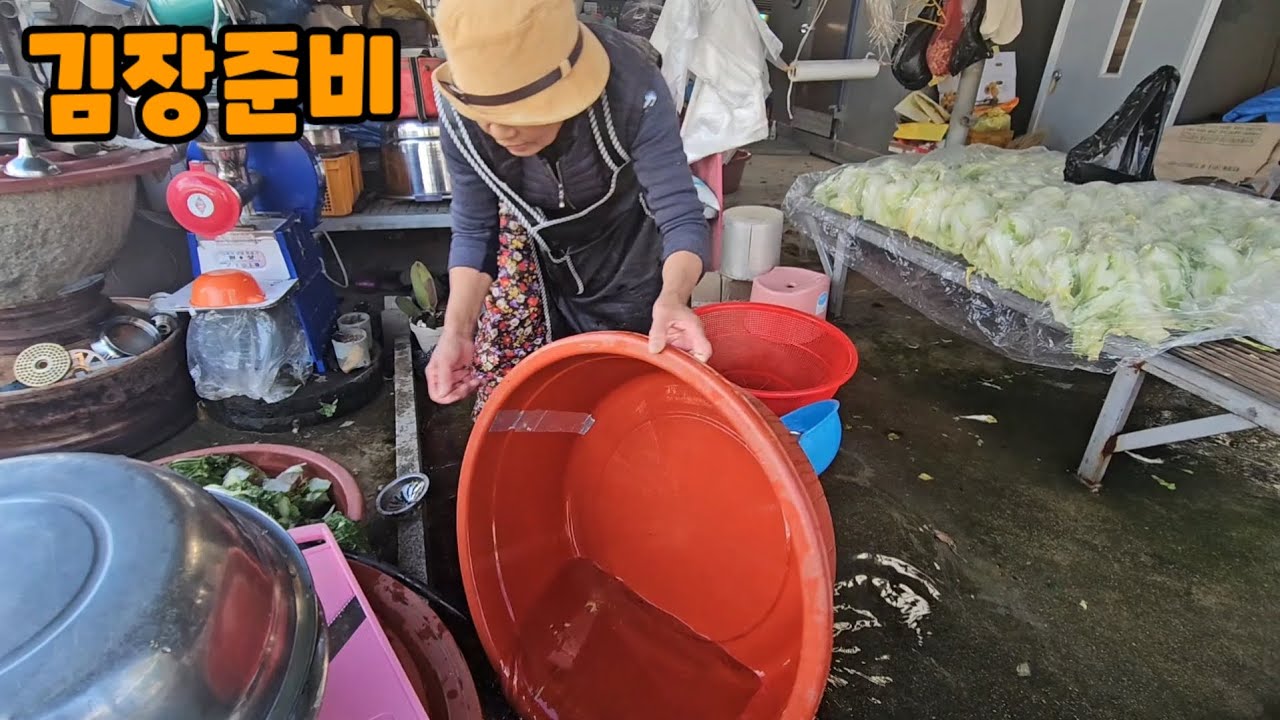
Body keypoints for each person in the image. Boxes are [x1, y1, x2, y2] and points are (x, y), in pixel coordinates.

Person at [424, 0, 713, 414]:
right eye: (485, 113)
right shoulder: (459, 121)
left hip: (633, 254)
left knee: (636, 398)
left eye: (520, 112)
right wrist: (456, 332)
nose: (501, 129)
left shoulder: (633, 91)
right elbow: (474, 230)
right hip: (549, 259)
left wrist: (673, 296)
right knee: (567, 401)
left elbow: (679, 213)